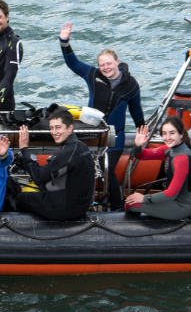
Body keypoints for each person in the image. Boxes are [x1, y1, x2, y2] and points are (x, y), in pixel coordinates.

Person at [58, 24, 145, 206]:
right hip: (92, 133)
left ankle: (117, 206)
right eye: (102, 64)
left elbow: (136, 110)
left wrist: (141, 130)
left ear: (117, 62)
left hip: (116, 136)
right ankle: (83, 202)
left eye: (109, 63)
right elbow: (72, 63)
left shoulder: (131, 85)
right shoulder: (92, 75)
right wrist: (64, 41)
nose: (106, 67)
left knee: (109, 169)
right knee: (85, 167)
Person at [11, 111, 96, 221]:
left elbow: (38, 177)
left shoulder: (68, 152)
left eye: (58, 127)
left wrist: (24, 148)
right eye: (51, 128)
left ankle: (10, 223)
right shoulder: (81, 146)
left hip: (64, 210)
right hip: (79, 207)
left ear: (70, 128)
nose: (54, 132)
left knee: (21, 198)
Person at [125, 116, 191, 220]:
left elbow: (171, 194)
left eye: (172, 133)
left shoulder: (182, 158)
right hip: (172, 200)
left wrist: (144, 198)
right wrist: (138, 145)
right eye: (164, 133)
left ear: (181, 134)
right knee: (131, 203)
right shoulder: (170, 149)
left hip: (181, 206)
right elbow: (142, 155)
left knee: (131, 205)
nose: (167, 137)